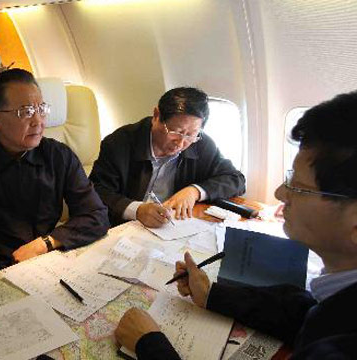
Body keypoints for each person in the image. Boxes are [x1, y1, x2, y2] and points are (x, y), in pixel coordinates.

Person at [115, 92, 357, 359]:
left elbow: (234, 178)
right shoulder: (334, 304)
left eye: (299, 187)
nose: (279, 193)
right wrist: (211, 295)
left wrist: (149, 344)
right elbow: (306, 312)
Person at [0, 68, 109, 319]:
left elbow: (96, 214)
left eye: (41, 109)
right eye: (26, 112)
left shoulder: (58, 155)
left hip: (45, 266)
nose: (38, 121)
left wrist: (45, 244)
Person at [89, 87, 245, 227]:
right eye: (176, 131)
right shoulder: (119, 143)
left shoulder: (200, 144)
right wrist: (136, 210)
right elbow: (97, 191)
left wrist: (194, 191)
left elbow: (235, 179)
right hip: (125, 227)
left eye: (191, 135)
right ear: (156, 116)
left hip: (171, 226)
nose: (181, 143)